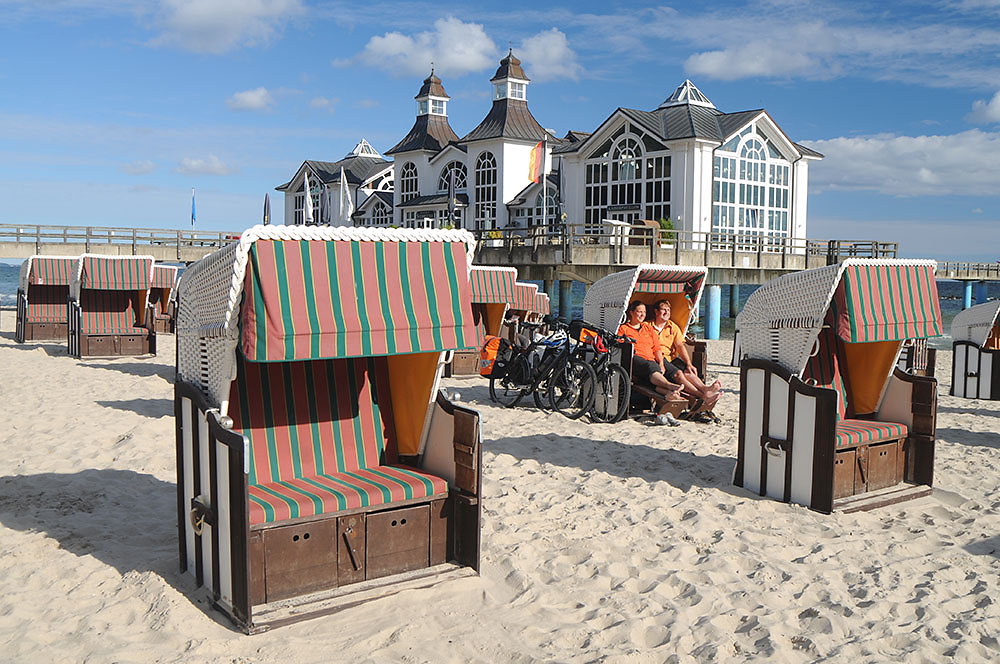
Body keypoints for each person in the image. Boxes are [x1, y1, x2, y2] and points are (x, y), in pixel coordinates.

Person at [645, 299, 721, 402]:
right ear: (656, 311)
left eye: (668, 310)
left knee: (688, 372)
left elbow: (680, 345)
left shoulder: (672, 327)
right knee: (679, 374)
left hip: (670, 358)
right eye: (664, 310)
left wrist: (689, 363)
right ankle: (702, 396)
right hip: (656, 358)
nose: (667, 312)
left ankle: (705, 389)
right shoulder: (647, 326)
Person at [616, 301, 681, 397]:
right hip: (635, 359)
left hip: (650, 359)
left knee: (655, 371)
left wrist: (661, 363)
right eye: (639, 312)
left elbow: (657, 348)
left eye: (644, 312)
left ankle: (671, 393)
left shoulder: (647, 327)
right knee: (650, 366)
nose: (642, 315)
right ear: (631, 312)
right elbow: (619, 345)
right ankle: (669, 385)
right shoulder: (624, 329)